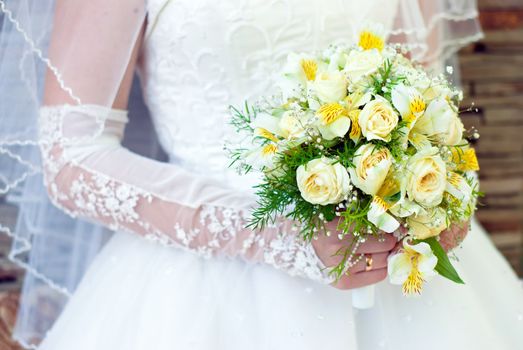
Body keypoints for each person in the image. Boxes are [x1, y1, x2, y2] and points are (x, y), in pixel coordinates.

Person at [0, 0, 522, 349]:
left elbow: (423, 105)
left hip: (399, 269)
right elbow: (73, 155)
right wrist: (286, 237)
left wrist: (444, 194)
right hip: (197, 285)